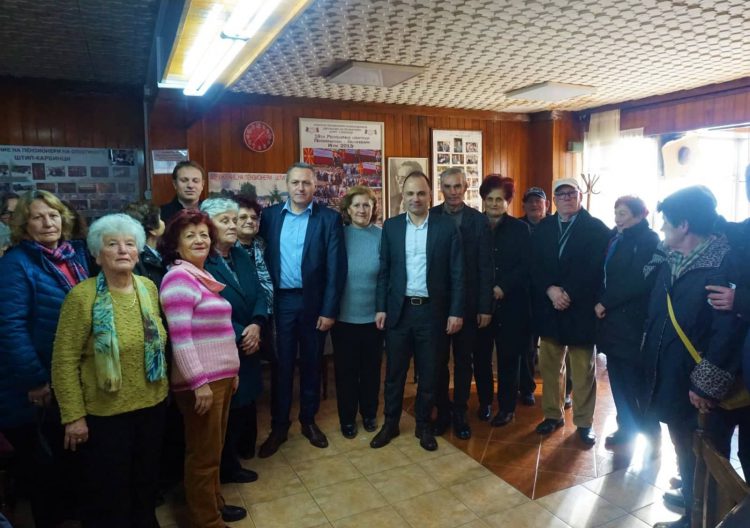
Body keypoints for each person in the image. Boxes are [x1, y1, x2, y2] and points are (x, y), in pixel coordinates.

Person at [52, 213, 168, 526]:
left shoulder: (148, 287)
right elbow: (64, 360)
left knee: (146, 483)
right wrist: (73, 416)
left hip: (152, 405)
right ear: (97, 254)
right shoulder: (82, 296)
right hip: (105, 414)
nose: (122, 250)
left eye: (129, 243)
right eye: (112, 244)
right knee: (109, 493)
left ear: (138, 251)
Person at [642, 186, 743, 528]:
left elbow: (726, 332)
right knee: (685, 450)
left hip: (698, 385)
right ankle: (692, 506)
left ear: (684, 225)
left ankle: (701, 518)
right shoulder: (669, 259)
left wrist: (705, 385)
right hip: (672, 375)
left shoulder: (721, 265)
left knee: (706, 455)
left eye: (666, 222)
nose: (662, 228)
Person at [0, 190, 89, 527]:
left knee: (68, 460)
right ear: (24, 224)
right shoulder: (15, 265)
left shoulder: (71, 256)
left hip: (66, 377)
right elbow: (10, 328)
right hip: (34, 386)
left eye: (53, 215)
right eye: (37, 217)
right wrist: (35, 379)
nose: (47, 222)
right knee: (44, 470)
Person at [159, 210, 246, 527]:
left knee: (214, 450)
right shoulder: (177, 279)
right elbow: (180, 339)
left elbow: (218, 332)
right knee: (203, 456)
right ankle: (206, 520)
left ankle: (214, 505)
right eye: (190, 235)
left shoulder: (200, 276)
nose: (200, 240)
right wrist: (199, 383)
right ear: (176, 244)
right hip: (201, 384)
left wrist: (233, 372)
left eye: (204, 235)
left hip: (220, 379)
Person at [257, 162, 347, 457]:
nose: (300, 188)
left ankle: (308, 421)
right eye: (295, 182)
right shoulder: (270, 216)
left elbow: (336, 269)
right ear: (287, 185)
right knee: (281, 366)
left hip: (313, 304)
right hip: (281, 303)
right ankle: (279, 426)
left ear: (315, 186)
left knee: (311, 364)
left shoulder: (328, 219)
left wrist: (329, 310)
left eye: (306, 183)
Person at [370, 171, 464, 452]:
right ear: (403, 195)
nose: (416, 198)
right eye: (410, 193)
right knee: (394, 373)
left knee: (430, 373)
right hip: (399, 312)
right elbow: (384, 272)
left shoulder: (446, 227)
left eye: (421, 193)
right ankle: (390, 423)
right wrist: (380, 307)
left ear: (430, 195)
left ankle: (423, 425)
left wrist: (456, 312)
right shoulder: (392, 227)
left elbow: (457, 273)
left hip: (432, 313)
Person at [530, 178, 610, 445]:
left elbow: (596, 268)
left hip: (581, 309)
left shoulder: (596, 229)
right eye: (561, 194)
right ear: (553, 199)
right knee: (550, 367)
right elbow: (535, 264)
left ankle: (584, 423)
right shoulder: (543, 228)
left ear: (580, 196)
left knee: (583, 370)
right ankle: (552, 415)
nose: (566, 197)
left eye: (571, 193)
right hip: (550, 307)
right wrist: (550, 289)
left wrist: (569, 293)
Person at [200, 198, 267, 483]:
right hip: (225, 345)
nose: (232, 225)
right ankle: (227, 467)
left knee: (246, 401)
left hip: (251, 338)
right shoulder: (203, 261)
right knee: (228, 408)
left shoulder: (240, 254)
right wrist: (243, 331)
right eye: (225, 220)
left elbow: (260, 292)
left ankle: (240, 453)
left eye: (233, 220)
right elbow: (206, 308)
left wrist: (257, 323)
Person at [430, 168, 492, 438]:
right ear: (441, 188)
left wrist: (485, 306)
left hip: (468, 304)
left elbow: (485, 266)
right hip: (437, 304)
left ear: (466, 187)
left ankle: (460, 412)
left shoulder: (478, 221)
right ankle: (443, 411)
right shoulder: (431, 216)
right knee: (438, 361)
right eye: (448, 186)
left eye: (458, 186)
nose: (453, 192)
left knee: (464, 361)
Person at [594, 196, 661, 447]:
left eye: (622, 214)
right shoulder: (616, 237)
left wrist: (605, 302)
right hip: (613, 322)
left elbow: (638, 280)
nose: (617, 219)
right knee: (618, 378)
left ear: (640, 215)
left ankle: (650, 432)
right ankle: (626, 427)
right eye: (616, 213)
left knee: (636, 381)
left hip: (633, 322)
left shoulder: (649, 240)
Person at [475, 175, 533, 427]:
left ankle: (507, 407)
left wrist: (503, 287)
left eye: (500, 199)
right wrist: (485, 290)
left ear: (508, 201)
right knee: (481, 357)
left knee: (509, 358)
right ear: (483, 200)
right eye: (490, 199)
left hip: (511, 304)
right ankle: (485, 402)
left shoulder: (520, 229)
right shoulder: (475, 225)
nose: (494, 204)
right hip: (481, 303)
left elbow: (526, 265)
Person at [330, 186, 384, 438]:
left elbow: (387, 276)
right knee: (346, 373)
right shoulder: (338, 236)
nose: (362, 210)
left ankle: (370, 414)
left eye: (367, 205)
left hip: (374, 318)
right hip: (343, 319)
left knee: (372, 371)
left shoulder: (382, 236)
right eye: (357, 205)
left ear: (373, 209)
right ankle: (347, 419)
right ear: (348, 210)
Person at [519, 186, 553, 406]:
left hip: (551, 296)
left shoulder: (555, 225)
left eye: (538, 201)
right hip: (525, 297)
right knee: (527, 348)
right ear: (524, 205)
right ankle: (526, 388)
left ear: (546, 204)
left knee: (554, 349)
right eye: (530, 201)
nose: (534, 205)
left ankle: (560, 391)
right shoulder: (517, 227)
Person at [123, 201, 167, 288]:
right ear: (153, 230)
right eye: (160, 219)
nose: (163, 222)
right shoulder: (139, 261)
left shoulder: (161, 250)